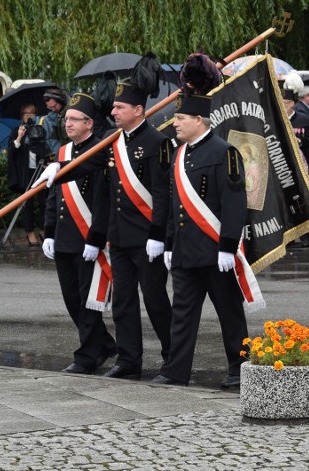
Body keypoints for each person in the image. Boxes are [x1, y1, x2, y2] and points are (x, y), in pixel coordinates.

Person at [35, 55, 173, 380]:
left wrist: (159, 235)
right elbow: (88, 165)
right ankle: (128, 360)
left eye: (119, 108)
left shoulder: (157, 142)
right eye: (113, 109)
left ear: (138, 110)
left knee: (155, 302)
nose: (112, 112)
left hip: (147, 238)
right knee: (123, 303)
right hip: (121, 238)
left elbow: (163, 193)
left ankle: (173, 359)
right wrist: (60, 170)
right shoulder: (114, 143)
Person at [152, 54, 249, 388]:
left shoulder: (224, 152)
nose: (175, 123)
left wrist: (227, 247)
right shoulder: (178, 155)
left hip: (214, 252)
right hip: (184, 252)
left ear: (199, 119)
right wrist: (167, 243)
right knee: (182, 315)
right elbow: (171, 204)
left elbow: (236, 203)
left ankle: (239, 370)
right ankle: (175, 370)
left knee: (229, 312)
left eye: (180, 118)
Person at [41, 93, 117, 374]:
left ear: (89, 123)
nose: (68, 124)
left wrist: (96, 237)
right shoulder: (62, 153)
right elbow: (54, 197)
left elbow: (102, 199)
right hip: (64, 238)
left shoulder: (99, 151)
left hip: (88, 238)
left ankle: (87, 356)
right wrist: (49, 232)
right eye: (66, 119)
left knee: (89, 301)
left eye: (74, 119)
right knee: (72, 299)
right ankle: (105, 344)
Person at [7, 103, 42, 246]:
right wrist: (19, 137)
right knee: (27, 204)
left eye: (31, 113)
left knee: (44, 202)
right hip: (25, 172)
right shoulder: (16, 130)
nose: (28, 116)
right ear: (22, 116)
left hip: (40, 170)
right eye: (26, 114)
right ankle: (30, 233)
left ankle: (44, 229)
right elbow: (11, 151)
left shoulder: (40, 129)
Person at [40, 88, 68, 157]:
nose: (53, 109)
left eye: (54, 106)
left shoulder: (73, 110)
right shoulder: (55, 115)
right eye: (49, 107)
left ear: (62, 101)